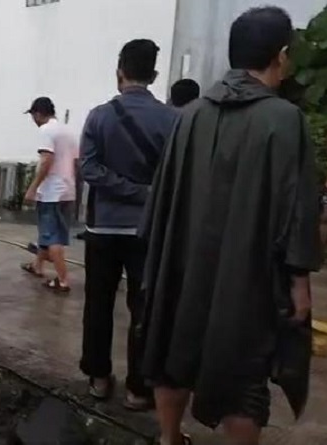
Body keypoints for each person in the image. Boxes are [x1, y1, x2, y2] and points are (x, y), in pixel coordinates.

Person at [141, 7, 321, 445]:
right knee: (245, 372)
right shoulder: (283, 119)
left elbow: (163, 198)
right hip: (248, 273)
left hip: (182, 263)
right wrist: (300, 281)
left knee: (171, 345)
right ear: (280, 55)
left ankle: (169, 438)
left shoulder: (192, 115)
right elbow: (297, 208)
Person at [79, 39, 178, 410]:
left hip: (103, 229)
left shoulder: (99, 116)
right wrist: (147, 195)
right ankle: (139, 389)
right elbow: (177, 176)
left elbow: (88, 169)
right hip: (148, 231)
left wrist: (127, 190)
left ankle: (99, 379)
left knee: (98, 304)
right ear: (154, 74)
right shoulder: (173, 119)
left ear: (119, 70)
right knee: (145, 308)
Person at [21, 97, 79, 292]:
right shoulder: (68, 131)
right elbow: (77, 161)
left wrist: (33, 187)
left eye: (33, 116)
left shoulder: (45, 131)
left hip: (51, 192)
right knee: (51, 233)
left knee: (51, 236)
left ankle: (62, 280)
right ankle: (37, 266)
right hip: (67, 190)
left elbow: (46, 160)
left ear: (38, 113)